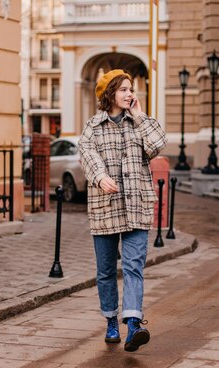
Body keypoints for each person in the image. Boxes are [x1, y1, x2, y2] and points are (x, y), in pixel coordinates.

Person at [78, 69, 167, 352]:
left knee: (133, 267)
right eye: (124, 89)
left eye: (132, 89)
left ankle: (133, 325)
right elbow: (86, 153)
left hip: (137, 205)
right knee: (105, 271)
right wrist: (100, 176)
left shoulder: (138, 123)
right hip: (105, 206)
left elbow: (158, 145)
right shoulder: (93, 126)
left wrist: (140, 116)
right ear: (110, 94)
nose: (130, 94)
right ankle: (111, 321)